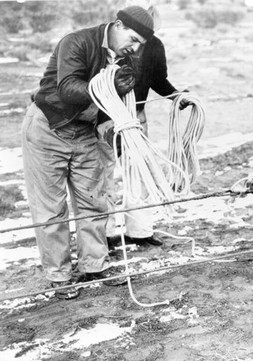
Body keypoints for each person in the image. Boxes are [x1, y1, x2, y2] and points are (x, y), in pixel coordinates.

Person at [22, 5, 157, 299]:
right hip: (48, 130)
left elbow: (117, 104)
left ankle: (94, 265)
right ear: (118, 25)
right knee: (50, 209)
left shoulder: (125, 58)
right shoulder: (77, 41)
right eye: (133, 39)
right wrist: (108, 84)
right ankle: (59, 275)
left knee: (94, 201)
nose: (134, 48)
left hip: (85, 133)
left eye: (140, 45)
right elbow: (68, 88)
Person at [97, 2, 192, 248]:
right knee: (103, 174)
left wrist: (176, 95)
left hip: (136, 116)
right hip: (104, 117)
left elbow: (158, 79)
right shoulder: (108, 42)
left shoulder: (155, 46)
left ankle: (139, 231)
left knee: (139, 171)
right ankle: (104, 234)